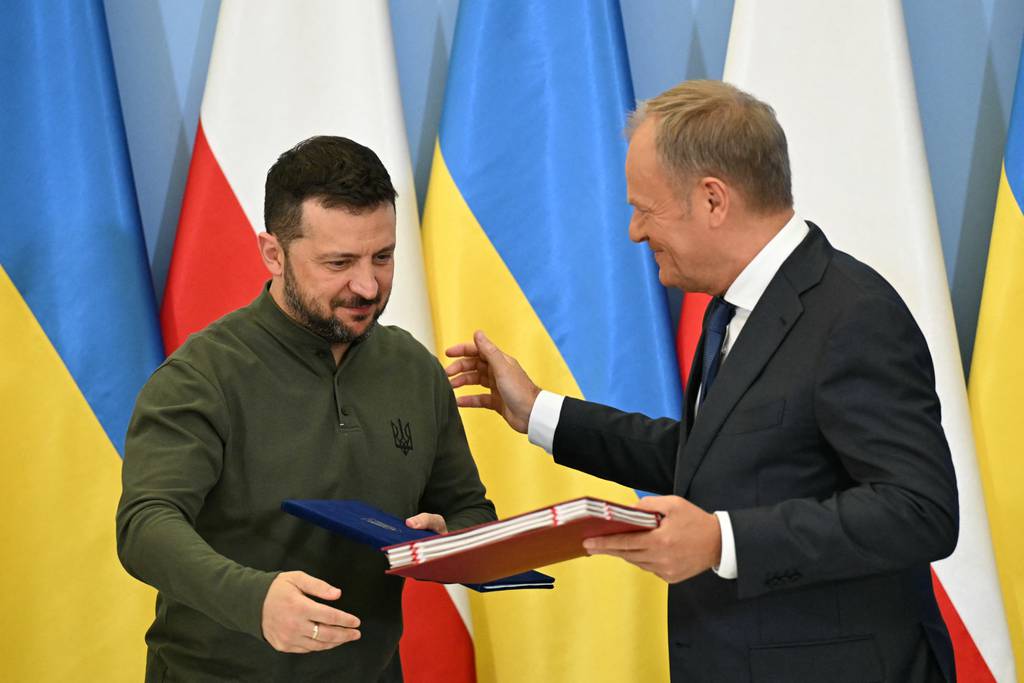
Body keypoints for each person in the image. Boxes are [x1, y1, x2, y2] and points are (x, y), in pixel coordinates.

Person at [446, 80, 959, 682]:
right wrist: (538, 411)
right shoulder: (733, 307)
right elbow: (713, 461)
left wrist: (722, 541)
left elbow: (919, 510)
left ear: (713, 200)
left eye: (646, 207)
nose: (635, 231)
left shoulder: (853, 314)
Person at [116, 136, 496, 681]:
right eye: (338, 262)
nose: (367, 285)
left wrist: (451, 544)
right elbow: (145, 526)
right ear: (273, 253)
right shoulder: (200, 376)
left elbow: (468, 510)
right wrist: (256, 600)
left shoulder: (415, 369)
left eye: (383, 257)